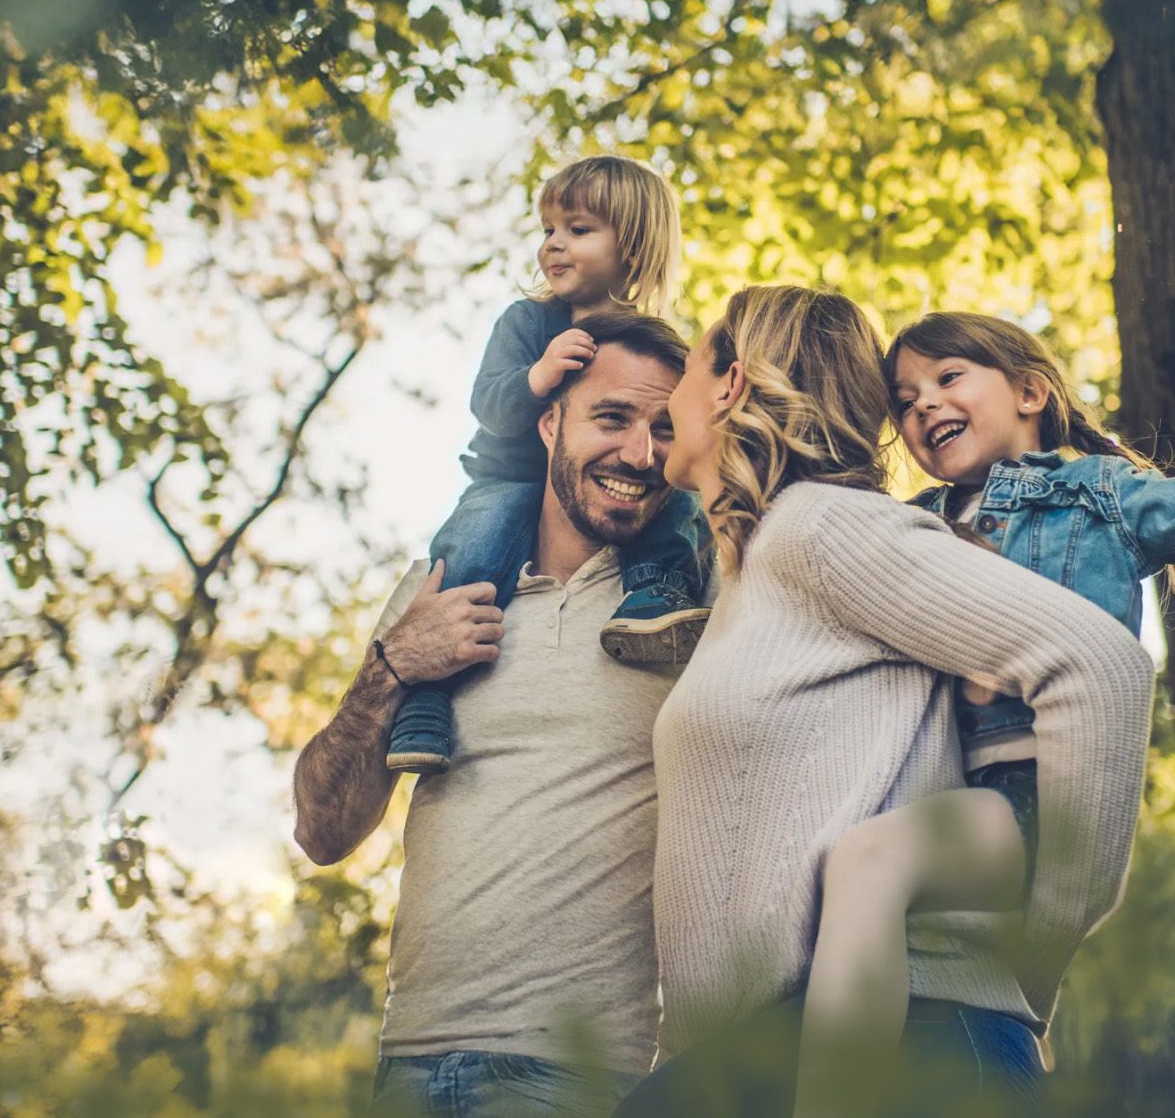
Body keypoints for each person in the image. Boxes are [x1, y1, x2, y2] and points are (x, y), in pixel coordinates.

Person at [617, 286, 1154, 1117]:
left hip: (921, 1039)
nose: (667, 404)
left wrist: (1040, 939)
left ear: (729, 386)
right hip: (776, 1053)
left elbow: (1100, 664)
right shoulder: (762, 563)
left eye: (685, 369)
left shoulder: (825, 529)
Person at [295, 312, 694, 1115]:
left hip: (579, 1074)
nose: (638, 454)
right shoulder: (441, 588)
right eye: (611, 417)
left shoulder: (688, 610)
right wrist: (394, 664)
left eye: (663, 428)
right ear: (549, 420)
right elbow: (321, 829)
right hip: (408, 1060)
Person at [792, 312, 1174, 1117]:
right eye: (905, 399)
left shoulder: (1096, 491)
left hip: (1032, 790)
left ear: (1030, 390)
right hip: (942, 785)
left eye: (949, 377)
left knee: (871, 860)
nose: (925, 404)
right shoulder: (913, 520)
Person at [385, 156, 711, 777]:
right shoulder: (529, 323)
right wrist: (539, 376)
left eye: (578, 230)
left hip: (610, 490)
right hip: (511, 479)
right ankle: (427, 700)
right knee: (473, 547)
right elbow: (489, 404)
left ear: (635, 247)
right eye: (547, 230)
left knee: (682, 506)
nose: (553, 245)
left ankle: (656, 596)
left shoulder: (657, 343)